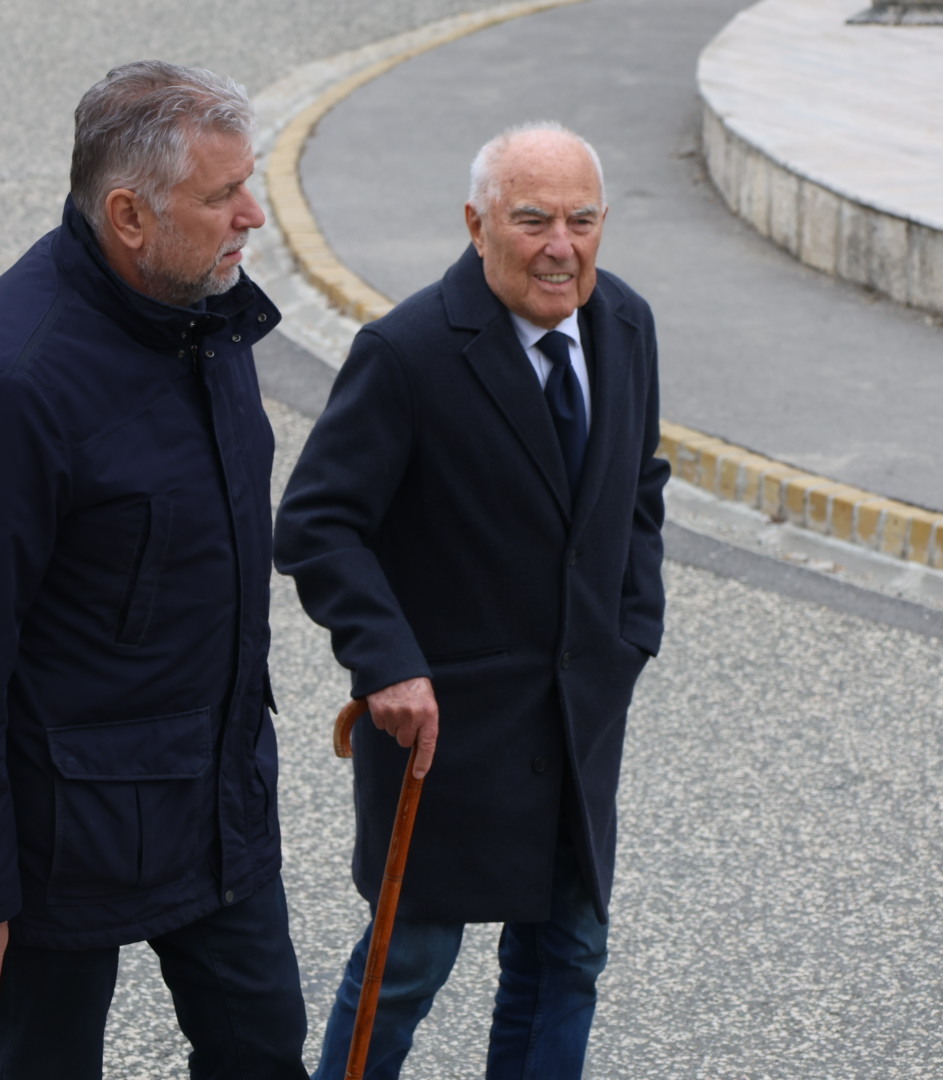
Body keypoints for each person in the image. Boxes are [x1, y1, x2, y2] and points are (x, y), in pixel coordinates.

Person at [0, 61, 308, 1080]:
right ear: (129, 215)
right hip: (62, 844)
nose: (253, 216)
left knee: (264, 1051)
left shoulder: (204, 309)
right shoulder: (7, 386)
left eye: (249, 183)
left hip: (217, 806)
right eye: (222, 195)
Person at [273, 122, 668, 1080]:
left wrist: (632, 628)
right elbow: (317, 524)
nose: (561, 247)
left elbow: (639, 485)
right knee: (406, 967)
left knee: (568, 954)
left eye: (581, 221)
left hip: (578, 719)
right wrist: (386, 662)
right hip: (444, 727)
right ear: (476, 223)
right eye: (532, 221)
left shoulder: (625, 323)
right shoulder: (406, 352)